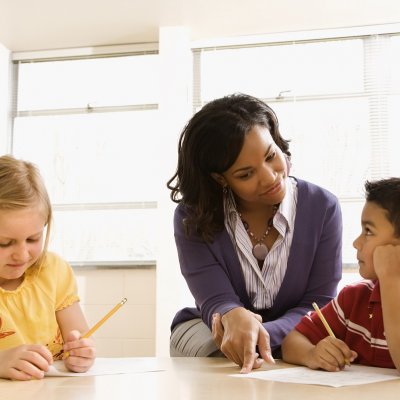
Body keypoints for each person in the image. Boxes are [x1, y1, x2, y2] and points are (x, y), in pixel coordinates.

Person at [167, 93, 343, 373]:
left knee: (302, 349)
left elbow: (319, 303)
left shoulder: (323, 207)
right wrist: (233, 316)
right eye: (246, 174)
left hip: (298, 331)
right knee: (224, 356)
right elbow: (215, 300)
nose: (270, 177)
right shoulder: (193, 217)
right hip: (211, 331)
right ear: (219, 178)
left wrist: (263, 335)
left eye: (271, 156)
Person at [282, 178, 400, 372]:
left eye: (368, 232)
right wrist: (312, 353)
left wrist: (391, 280)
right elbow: (291, 342)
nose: (356, 242)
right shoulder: (354, 298)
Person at [0, 155, 95, 380]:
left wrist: (81, 354)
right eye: (4, 243)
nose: (22, 255)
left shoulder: (54, 272)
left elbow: (81, 337)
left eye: (33, 239)